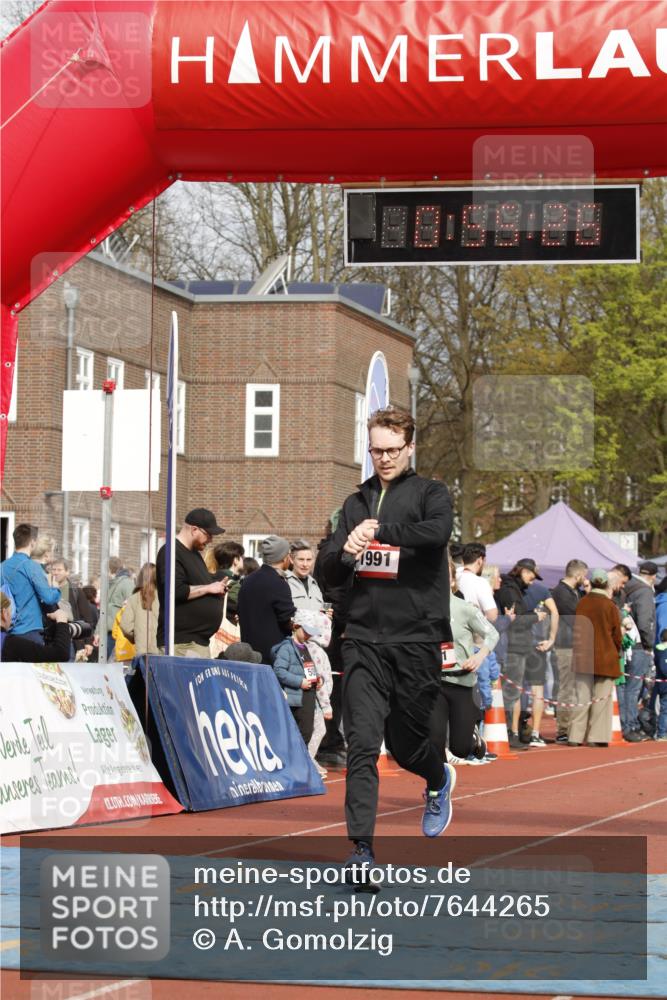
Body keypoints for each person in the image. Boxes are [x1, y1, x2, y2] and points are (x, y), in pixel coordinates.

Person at [321, 406, 454, 875]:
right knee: (361, 744)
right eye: (375, 450)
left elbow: (436, 534)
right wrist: (343, 552)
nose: (383, 458)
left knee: (405, 744)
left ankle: (437, 778)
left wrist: (381, 533)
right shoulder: (354, 503)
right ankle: (361, 850)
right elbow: (326, 570)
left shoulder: (430, 493)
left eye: (392, 450)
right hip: (361, 639)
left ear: (409, 447)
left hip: (415, 638)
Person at [430, 559, 499, 764]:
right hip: (433, 683)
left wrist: (479, 655)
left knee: (460, 748)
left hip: (462, 682)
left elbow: (492, 634)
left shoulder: (465, 609)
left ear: (453, 581)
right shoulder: (422, 609)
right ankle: (439, 788)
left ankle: (473, 738)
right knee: (435, 742)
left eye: (446, 576)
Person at [156, 508, 229, 657]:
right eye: (208, 535)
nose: (210, 540)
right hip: (182, 643)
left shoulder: (194, 554)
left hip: (195, 643)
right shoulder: (170, 551)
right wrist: (209, 588)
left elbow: (195, 582)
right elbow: (175, 590)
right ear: (194, 529)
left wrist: (217, 586)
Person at [495, 559, 548, 749]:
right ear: (523, 572)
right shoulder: (510, 590)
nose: (532, 582)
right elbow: (514, 620)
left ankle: (512, 731)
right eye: (531, 576)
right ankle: (509, 733)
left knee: (514, 691)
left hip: (517, 645)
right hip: (513, 647)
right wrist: (535, 617)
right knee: (511, 691)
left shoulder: (514, 589)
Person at [568, 569, 622, 746]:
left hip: (583, 657)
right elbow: (617, 634)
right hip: (605, 657)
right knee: (602, 700)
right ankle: (596, 737)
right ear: (606, 584)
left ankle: (575, 736)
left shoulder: (582, 603)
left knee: (581, 698)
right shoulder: (609, 605)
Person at [237, 536, 296, 665]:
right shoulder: (278, 583)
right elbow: (288, 619)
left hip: (249, 652)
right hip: (272, 655)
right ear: (284, 557)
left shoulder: (247, 580)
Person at [271, 609, 325, 749]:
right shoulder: (287, 648)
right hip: (296, 699)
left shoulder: (306, 648)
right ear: (295, 627)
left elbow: (308, 668)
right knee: (298, 734)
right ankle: (293, 763)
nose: (308, 635)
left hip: (308, 697)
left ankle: (299, 762)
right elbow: (278, 671)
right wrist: (299, 682)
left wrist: (317, 680)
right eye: (306, 631)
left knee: (306, 732)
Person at [0, 523, 61, 644]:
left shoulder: (2, 566)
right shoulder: (31, 566)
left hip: (8, 632)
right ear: (33, 542)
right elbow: (49, 598)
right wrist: (56, 589)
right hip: (29, 630)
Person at [550, 559, 589, 743]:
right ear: (578, 575)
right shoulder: (561, 593)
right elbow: (577, 616)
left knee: (574, 688)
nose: (586, 579)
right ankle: (563, 729)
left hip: (575, 645)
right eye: (584, 576)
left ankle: (571, 726)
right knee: (566, 687)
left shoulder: (575, 592)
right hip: (565, 645)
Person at [620, 561, 657, 740]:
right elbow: (645, 621)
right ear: (653, 576)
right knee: (633, 688)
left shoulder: (627, 587)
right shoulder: (645, 591)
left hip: (626, 644)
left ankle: (625, 724)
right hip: (639, 646)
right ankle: (630, 726)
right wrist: (649, 643)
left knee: (625, 687)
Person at [522, 578, 559, 746]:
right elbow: (555, 611)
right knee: (537, 689)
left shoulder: (513, 588)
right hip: (537, 644)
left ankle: (515, 729)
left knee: (516, 688)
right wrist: (551, 639)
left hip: (518, 642)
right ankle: (534, 733)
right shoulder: (541, 589)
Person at [0, 589, 71, 662]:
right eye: (10, 612)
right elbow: (60, 654)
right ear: (4, 614)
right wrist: (62, 620)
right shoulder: (10, 644)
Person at [120, 563, 160, 658]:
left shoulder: (133, 598)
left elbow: (125, 625)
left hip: (141, 651)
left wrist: (136, 637)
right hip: (161, 649)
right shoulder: (164, 598)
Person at [456, 543, 498, 622]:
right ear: (480, 560)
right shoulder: (480, 582)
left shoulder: (453, 577)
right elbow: (492, 616)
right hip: (473, 631)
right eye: (484, 561)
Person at [103, 557, 134, 658]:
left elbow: (131, 608)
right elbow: (105, 610)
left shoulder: (127, 583)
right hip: (108, 632)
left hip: (118, 634)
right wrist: (98, 632)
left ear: (109, 569)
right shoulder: (110, 584)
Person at [210, 541, 245, 619]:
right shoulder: (232, 583)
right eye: (242, 557)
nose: (244, 560)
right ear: (236, 560)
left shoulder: (210, 578)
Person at [652, 628, 667, 742]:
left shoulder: (658, 649)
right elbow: (663, 667)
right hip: (664, 685)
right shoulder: (663, 651)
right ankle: (662, 733)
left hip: (662, 684)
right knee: (664, 709)